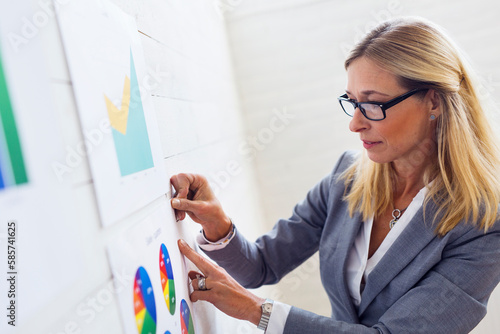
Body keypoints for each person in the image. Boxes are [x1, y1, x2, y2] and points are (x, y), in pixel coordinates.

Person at [170, 16, 500, 333]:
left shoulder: (483, 225)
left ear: (434, 102)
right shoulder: (347, 178)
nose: (355, 123)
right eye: (352, 102)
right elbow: (261, 265)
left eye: (373, 104)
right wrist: (217, 226)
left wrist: (257, 311)